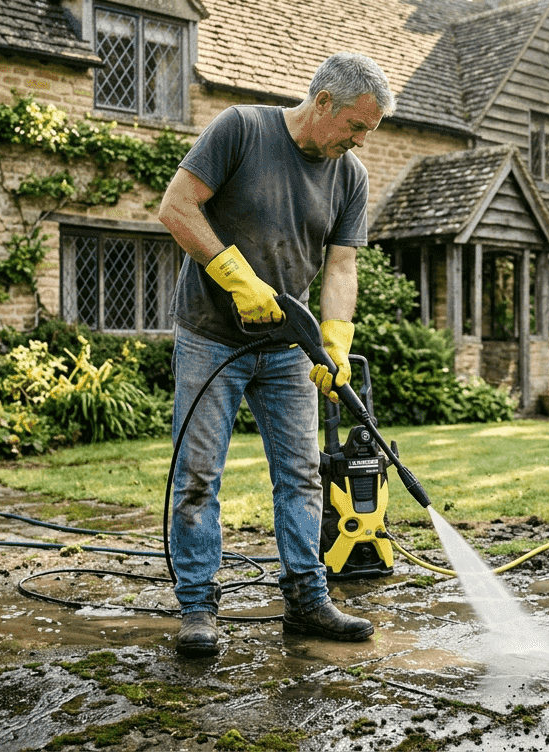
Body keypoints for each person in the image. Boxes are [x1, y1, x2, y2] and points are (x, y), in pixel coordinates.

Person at [157, 52, 395, 657]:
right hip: (212, 336)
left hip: (290, 346)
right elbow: (176, 208)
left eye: (369, 130)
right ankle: (197, 606)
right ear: (322, 103)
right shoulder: (240, 128)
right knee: (198, 475)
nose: (362, 140)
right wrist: (234, 275)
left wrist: (335, 340)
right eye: (356, 126)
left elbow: (342, 266)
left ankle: (307, 597)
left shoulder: (350, 176)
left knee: (302, 474)